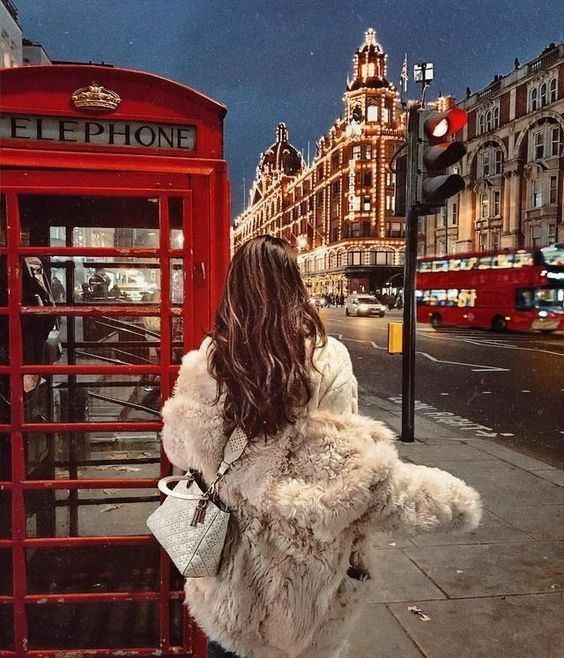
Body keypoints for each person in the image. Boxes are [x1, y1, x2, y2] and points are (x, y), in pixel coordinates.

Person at [161, 235, 482, 658]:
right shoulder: (327, 358)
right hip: (306, 582)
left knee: (228, 646)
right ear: (295, 284)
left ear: (234, 289)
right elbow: (340, 463)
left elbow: (180, 448)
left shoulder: (209, 357)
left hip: (225, 572)